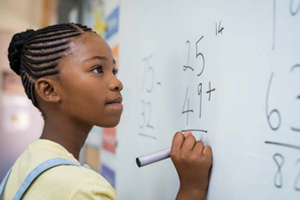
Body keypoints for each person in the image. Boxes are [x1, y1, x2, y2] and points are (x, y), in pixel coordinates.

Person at [0, 23, 212, 200]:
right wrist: (191, 188)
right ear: (50, 90)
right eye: (97, 69)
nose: (117, 82)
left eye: (114, 70)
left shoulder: (25, 165)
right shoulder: (83, 190)